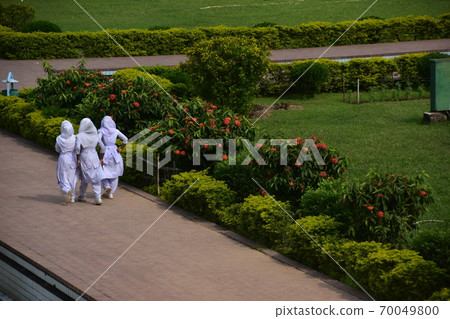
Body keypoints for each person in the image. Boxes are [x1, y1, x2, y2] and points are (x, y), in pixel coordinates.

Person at [98, 116, 128, 199]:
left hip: (105, 152)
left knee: (103, 171)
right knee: (115, 173)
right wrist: (121, 148)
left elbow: (98, 140)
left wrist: (102, 146)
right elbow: (125, 139)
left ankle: (107, 186)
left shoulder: (101, 131)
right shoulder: (116, 131)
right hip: (115, 152)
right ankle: (111, 193)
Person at [76, 118, 105, 205]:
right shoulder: (95, 136)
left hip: (84, 156)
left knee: (84, 177)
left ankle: (83, 196)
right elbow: (103, 148)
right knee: (96, 177)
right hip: (94, 156)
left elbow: (77, 148)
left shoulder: (80, 136)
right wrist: (101, 158)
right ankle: (98, 198)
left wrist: (78, 158)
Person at [55, 120, 78, 204]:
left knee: (62, 176)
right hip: (73, 158)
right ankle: (72, 197)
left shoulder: (59, 138)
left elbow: (57, 149)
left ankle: (67, 190)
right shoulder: (75, 137)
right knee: (71, 178)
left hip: (63, 157)